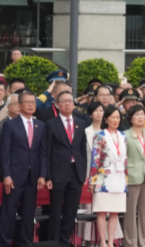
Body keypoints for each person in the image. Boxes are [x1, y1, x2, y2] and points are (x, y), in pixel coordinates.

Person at [0, 91, 46, 247]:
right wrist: (6, 175)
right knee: (8, 213)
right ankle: (4, 243)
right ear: (19, 105)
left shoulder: (40, 125)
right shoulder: (10, 124)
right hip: (14, 177)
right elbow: (4, 152)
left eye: (33, 102)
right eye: (27, 102)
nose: (31, 105)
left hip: (33, 177)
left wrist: (42, 175)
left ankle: (26, 243)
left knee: (28, 214)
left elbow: (43, 152)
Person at [44, 90, 89, 244]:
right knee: (56, 210)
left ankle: (65, 240)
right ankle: (54, 241)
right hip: (57, 173)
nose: (68, 104)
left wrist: (83, 173)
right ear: (57, 104)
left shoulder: (80, 123)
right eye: (64, 101)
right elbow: (46, 152)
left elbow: (82, 149)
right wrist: (47, 176)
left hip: (76, 172)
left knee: (71, 210)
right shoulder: (51, 124)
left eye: (70, 100)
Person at [87, 106, 126, 247]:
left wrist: (126, 179)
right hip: (103, 179)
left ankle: (111, 242)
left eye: (118, 117)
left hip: (119, 177)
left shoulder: (123, 136)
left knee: (115, 213)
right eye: (113, 117)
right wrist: (92, 180)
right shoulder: (100, 136)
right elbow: (95, 159)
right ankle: (102, 242)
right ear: (106, 119)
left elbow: (126, 160)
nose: (116, 120)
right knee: (102, 212)